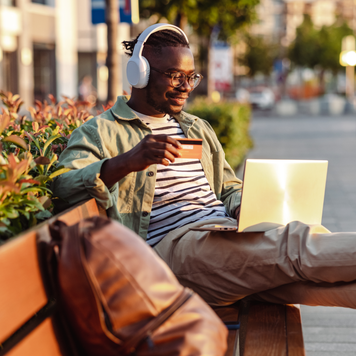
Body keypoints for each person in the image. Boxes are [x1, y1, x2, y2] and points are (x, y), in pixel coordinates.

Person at [53, 24, 356, 309]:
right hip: (171, 251)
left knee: (305, 283)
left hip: (221, 235)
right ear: (140, 73)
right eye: (175, 76)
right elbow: (64, 185)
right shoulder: (101, 131)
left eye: (191, 77)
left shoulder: (196, 127)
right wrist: (128, 161)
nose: (186, 87)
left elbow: (227, 188)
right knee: (295, 245)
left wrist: (242, 207)